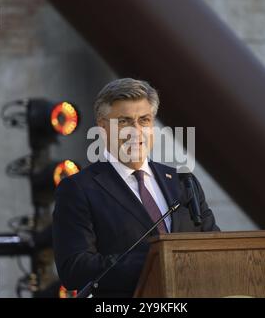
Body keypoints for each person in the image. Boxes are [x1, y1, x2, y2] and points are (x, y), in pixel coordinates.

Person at [53, 78, 220, 297]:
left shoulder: (182, 181)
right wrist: (155, 262)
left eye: (144, 120)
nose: (136, 131)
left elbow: (216, 247)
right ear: (102, 128)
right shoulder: (78, 189)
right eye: (124, 122)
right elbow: (74, 268)